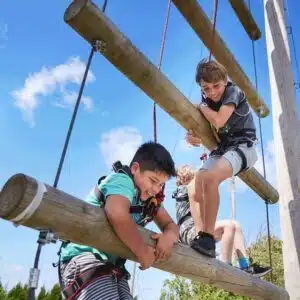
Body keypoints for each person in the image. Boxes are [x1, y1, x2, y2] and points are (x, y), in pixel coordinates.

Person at [59, 141, 179, 299]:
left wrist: (169, 237)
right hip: (85, 257)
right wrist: (142, 252)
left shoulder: (149, 200)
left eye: (161, 185)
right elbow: (117, 213)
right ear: (135, 169)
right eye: (153, 181)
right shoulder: (122, 181)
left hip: (112, 267)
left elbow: (171, 225)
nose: (156, 189)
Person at [186, 59, 258, 257]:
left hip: (244, 146)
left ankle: (208, 237)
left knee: (210, 177)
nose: (212, 92)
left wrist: (200, 107)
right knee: (193, 187)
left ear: (225, 80)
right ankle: (202, 236)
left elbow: (218, 120)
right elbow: (195, 135)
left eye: (216, 86)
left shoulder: (233, 92)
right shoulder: (207, 102)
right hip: (222, 149)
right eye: (205, 88)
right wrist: (192, 136)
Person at [174, 165, 271, 277]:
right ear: (186, 179)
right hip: (189, 232)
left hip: (198, 230)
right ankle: (225, 265)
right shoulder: (183, 190)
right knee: (228, 226)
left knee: (236, 225)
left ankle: (245, 266)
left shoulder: (193, 190)